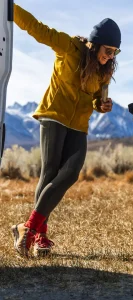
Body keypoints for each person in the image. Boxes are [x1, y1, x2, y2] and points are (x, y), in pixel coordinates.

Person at [11, 3, 121, 258]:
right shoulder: (68, 47)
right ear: (95, 43)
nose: (111, 56)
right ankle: (39, 236)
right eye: (108, 50)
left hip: (78, 126)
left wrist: (102, 105)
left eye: (115, 52)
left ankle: (25, 228)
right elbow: (36, 28)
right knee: (49, 174)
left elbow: (97, 98)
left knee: (70, 174)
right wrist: (8, 7)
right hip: (54, 117)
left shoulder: (104, 71)